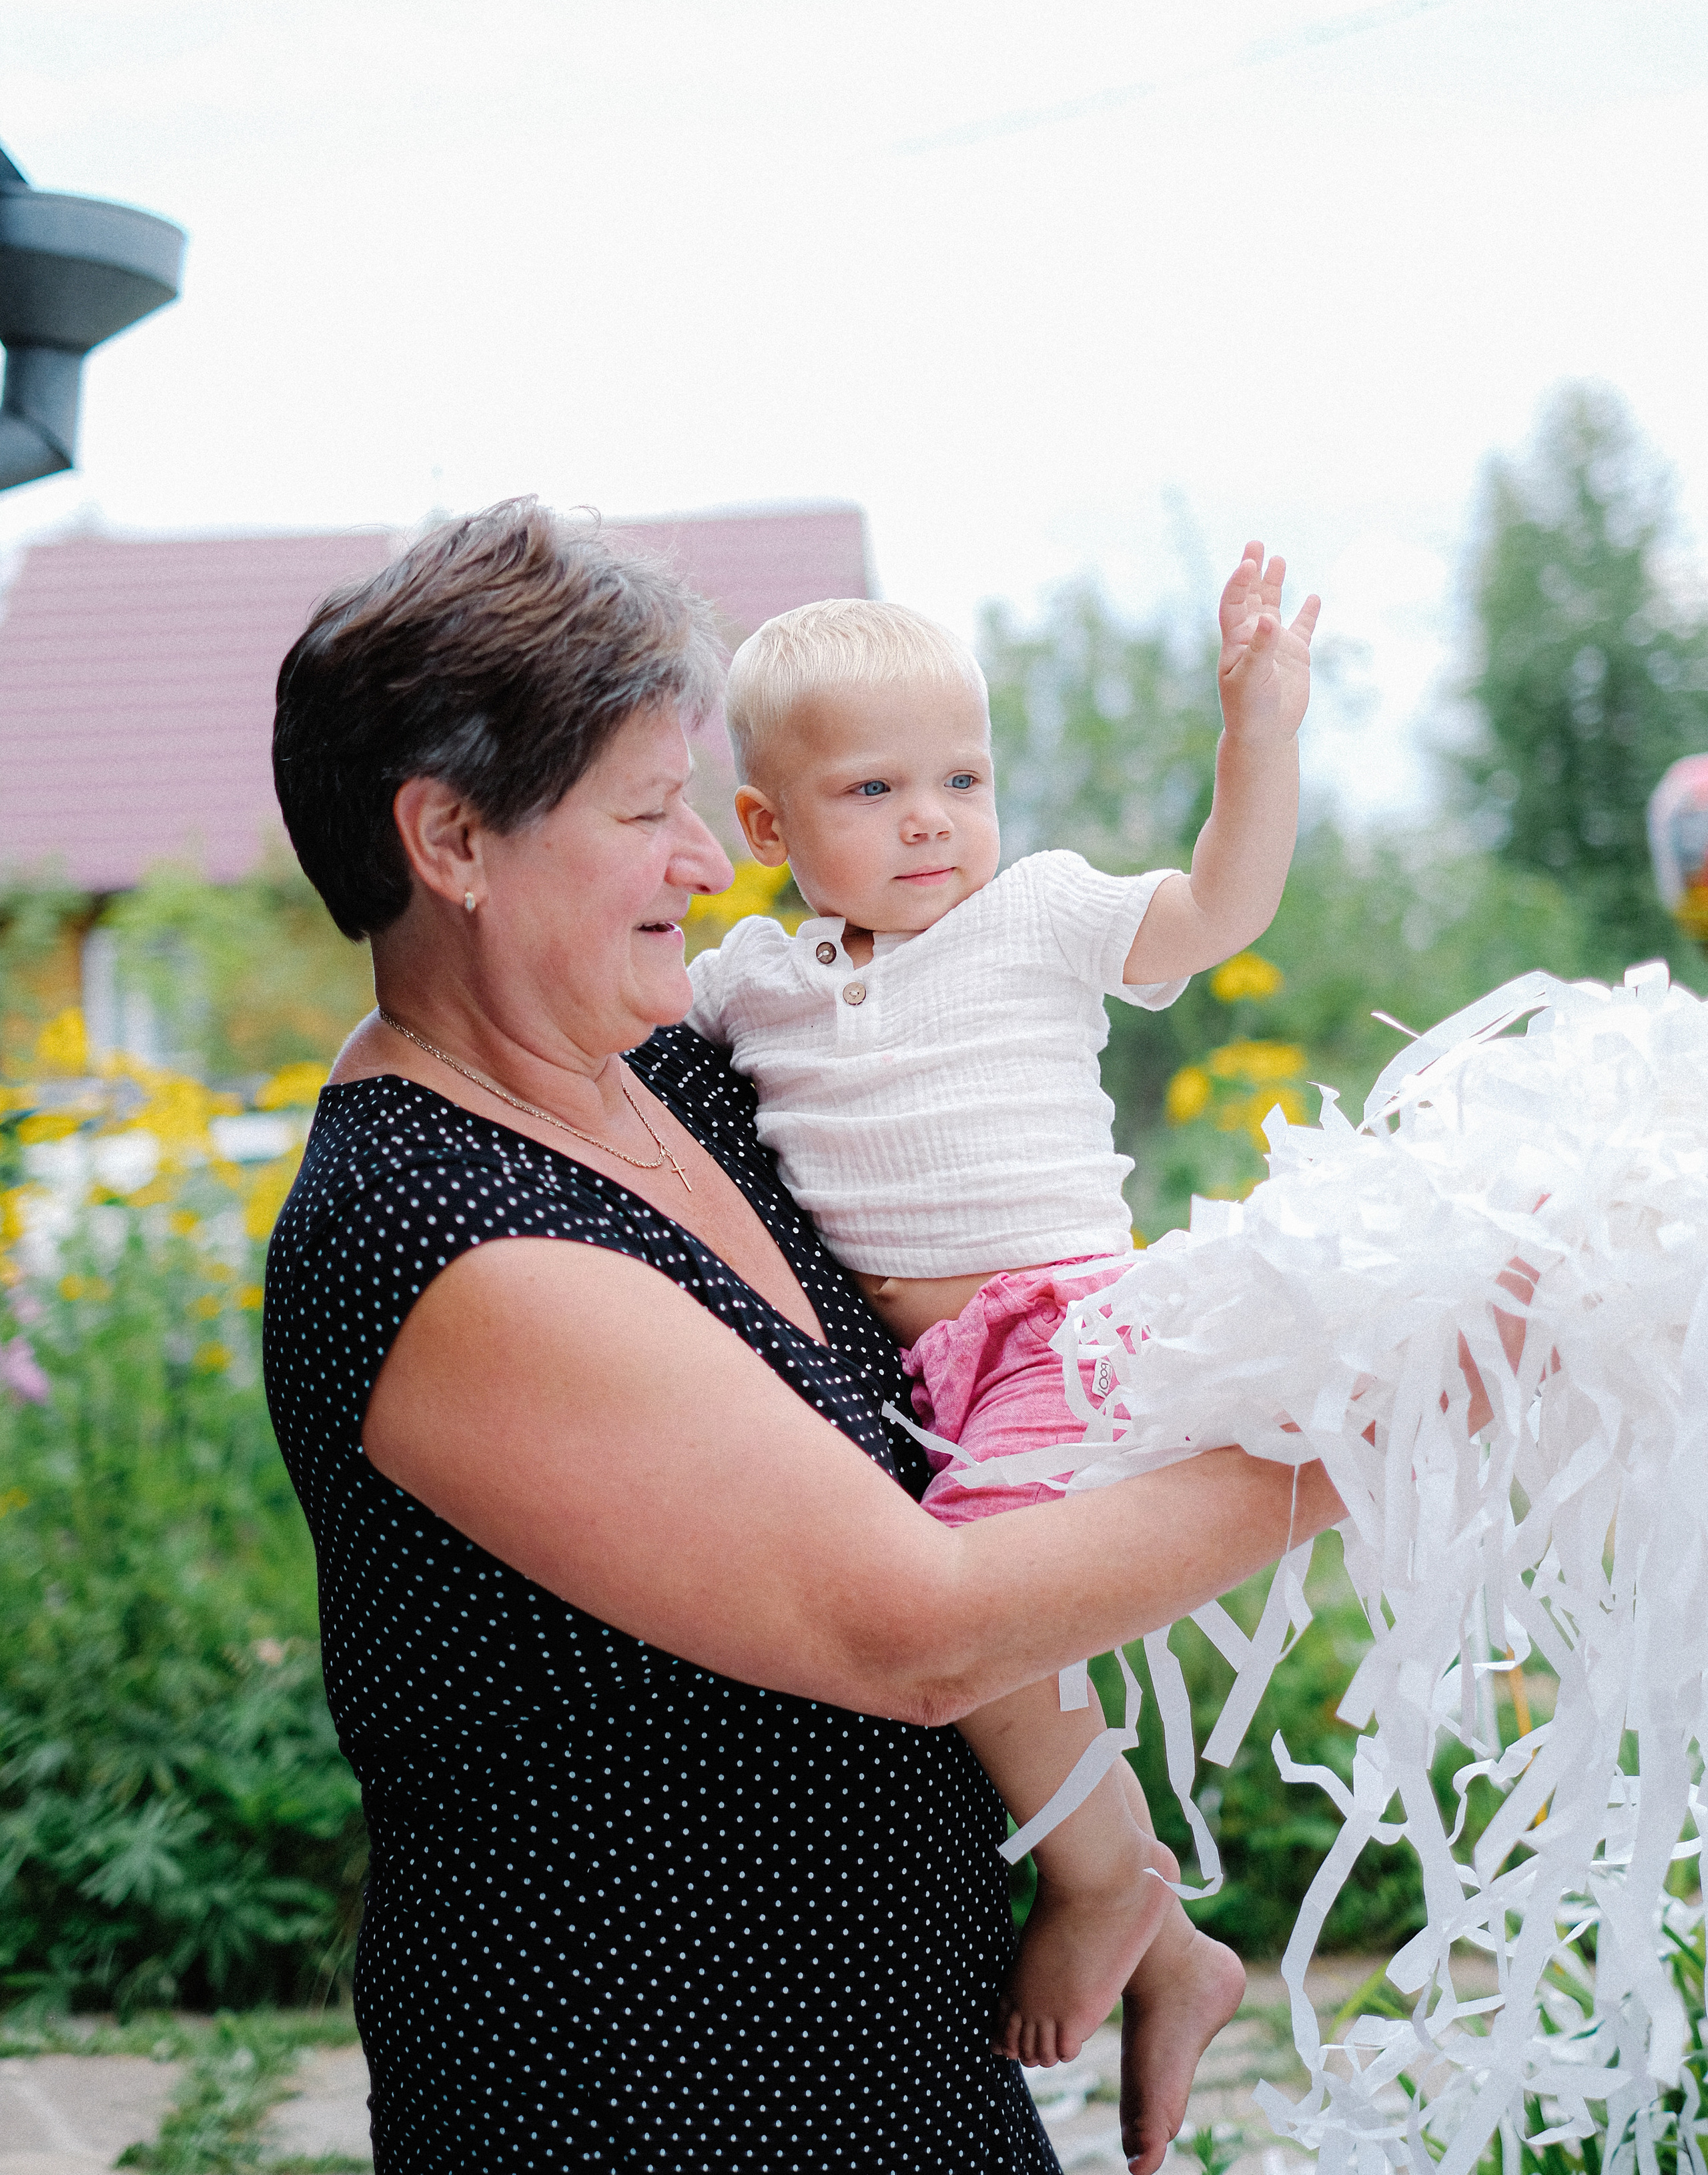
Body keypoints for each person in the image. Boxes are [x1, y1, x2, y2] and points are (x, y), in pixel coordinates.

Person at [264, 500, 1344, 2175]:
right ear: (450, 844)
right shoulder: (442, 1234)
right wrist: (1377, 1420)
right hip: (652, 2098)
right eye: (648, 811)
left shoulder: (695, 1084)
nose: (707, 862)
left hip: (904, 2055)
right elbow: (917, 1630)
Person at [685, 556, 1318, 2082]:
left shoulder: (1035, 916)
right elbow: (599, 1023)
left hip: (1069, 1328)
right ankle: (1177, 1956)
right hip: (922, 1377)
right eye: (872, 788)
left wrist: (1259, 733)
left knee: (967, 1609)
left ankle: (1107, 1882)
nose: (929, 818)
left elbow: (1222, 904)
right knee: (991, 1635)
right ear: (766, 832)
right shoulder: (753, 983)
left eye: (960, 778)